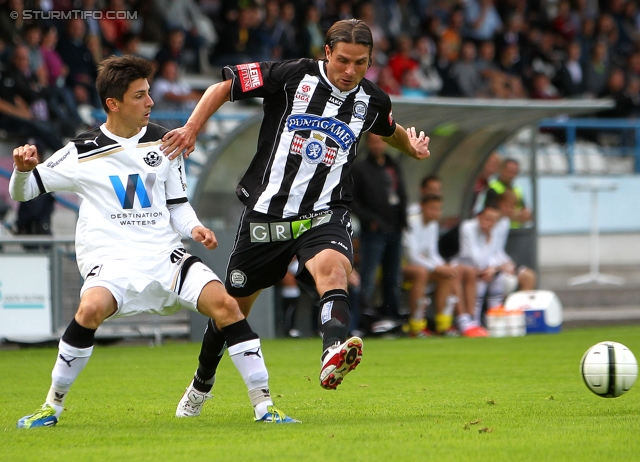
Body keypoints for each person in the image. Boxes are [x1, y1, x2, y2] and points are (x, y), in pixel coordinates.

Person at [10, 55, 296, 429]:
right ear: (113, 104)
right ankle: (51, 406)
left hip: (165, 256)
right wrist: (22, 169)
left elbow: (177, 204)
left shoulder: (165, 141)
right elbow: (25, 192)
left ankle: (264, 405)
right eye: (140, 96)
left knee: (227, 306)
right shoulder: (80, 151)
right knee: (89, 310)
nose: (151, 102)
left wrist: (195, 229)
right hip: (113, 261)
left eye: (149, 93)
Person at [161, 19, 430, 408]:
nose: (350, 71)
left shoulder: (371, 100)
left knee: (334, 269)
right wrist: (191, 128)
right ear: (327, 53)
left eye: (360, 63)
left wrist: (414, 148)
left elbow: (389, 129)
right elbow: (223, 86)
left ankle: (333, 350)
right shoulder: (292, 75)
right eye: (343, 61)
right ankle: (202, 381)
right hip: (267, 214)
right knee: (232, 308)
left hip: (325, 211)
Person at [403, 194, 485, 337]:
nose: (436, 212)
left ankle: (444, 325)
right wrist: (437, 267)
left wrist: (445, 267)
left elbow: (433, 254)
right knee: (421, 272)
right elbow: (412, 256)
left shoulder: (433, 224)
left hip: (422, 266)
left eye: (439, 209)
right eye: (432, 208)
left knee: (448, 274)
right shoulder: (411, 222)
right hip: (402, 266)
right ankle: (416, 326)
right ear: (422, 207)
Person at [351, 132, 408, 324]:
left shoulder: (393, 166)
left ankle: (390, 315)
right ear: (368, 144)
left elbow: (401, 194)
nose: (377, 146)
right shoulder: (360, 169)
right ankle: (363, 319)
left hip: (395, 228)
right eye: (373, 142)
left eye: (380, 141)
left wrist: (403, 221)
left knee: (393, 276)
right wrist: (369, 221)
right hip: (374, 231)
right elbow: (353, 201)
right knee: (368, 276)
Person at [456, 205, 507, 327]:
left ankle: (496, 321)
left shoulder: (493, 230)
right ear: (478, 217)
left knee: (497, 277)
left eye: (493, 220)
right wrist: (488, 239)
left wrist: (493, 268)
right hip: (459, 264)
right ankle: (474, 321)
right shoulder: (467, 227)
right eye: (487, 219)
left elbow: (494, 254)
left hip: (479, 268)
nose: (490, 223)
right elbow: (476, 260)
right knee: (480, 279)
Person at [485, 158, 531, 228]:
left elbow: (524, 211)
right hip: (498, 230)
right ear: (501, 170)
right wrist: (513, 215)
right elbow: (490, 212)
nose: (511, 175)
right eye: (509, 171)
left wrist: (524, 215)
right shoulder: (492, 188)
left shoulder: (517, 190)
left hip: (516, 231)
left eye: (514, 172)